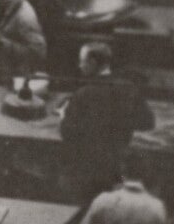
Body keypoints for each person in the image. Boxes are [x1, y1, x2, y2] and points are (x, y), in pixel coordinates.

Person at [60, 43, 156, 202]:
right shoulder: (129, 88)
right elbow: (148, 122)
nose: (79, 66)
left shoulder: (83, 94)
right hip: (118, 167)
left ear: (92, 63)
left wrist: (64, 115)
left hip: (88, 171)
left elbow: (67, 133)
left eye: (82, 61)